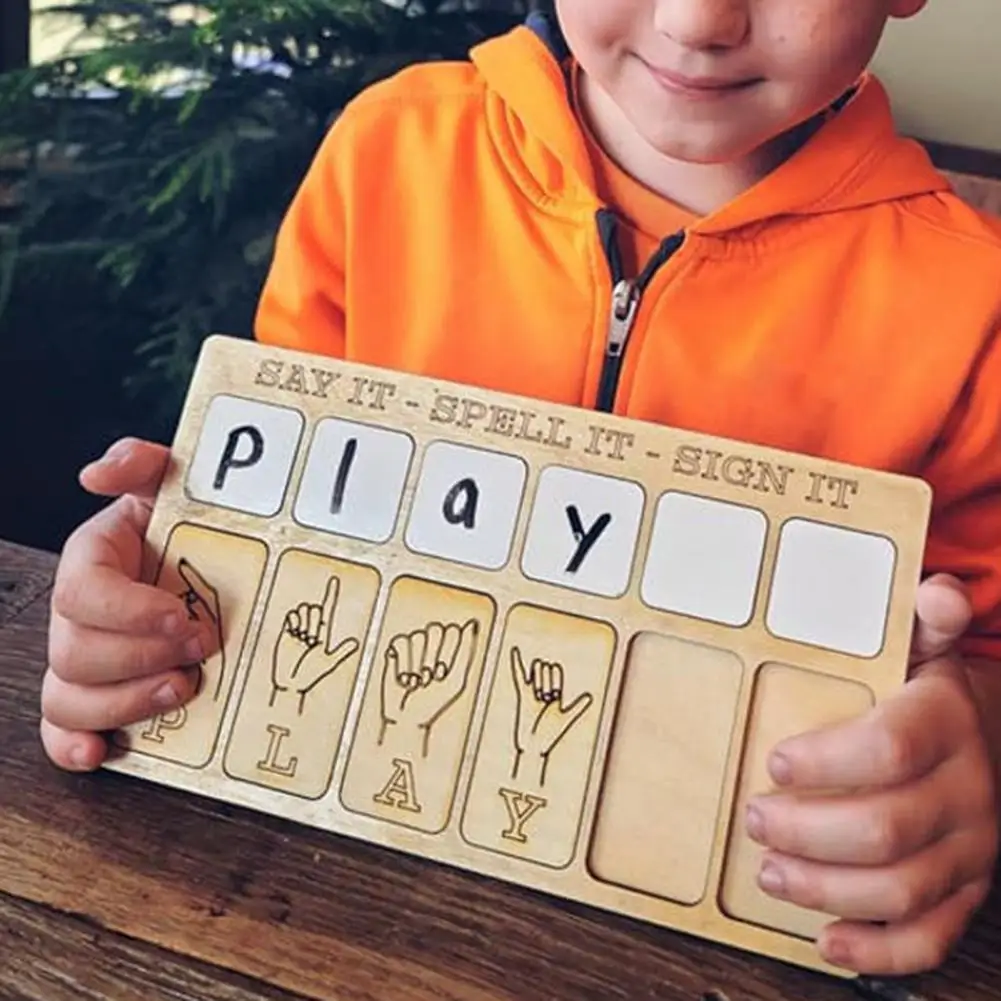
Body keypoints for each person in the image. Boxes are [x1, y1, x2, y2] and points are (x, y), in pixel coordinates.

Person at [40, 0, 1001, 979]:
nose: (695, 21)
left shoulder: (972, 304)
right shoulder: (388, 151)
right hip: (301, 903)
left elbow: (977, 655)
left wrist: (966, 752)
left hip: (706, 938)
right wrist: (152, 585)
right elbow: (273, 502)